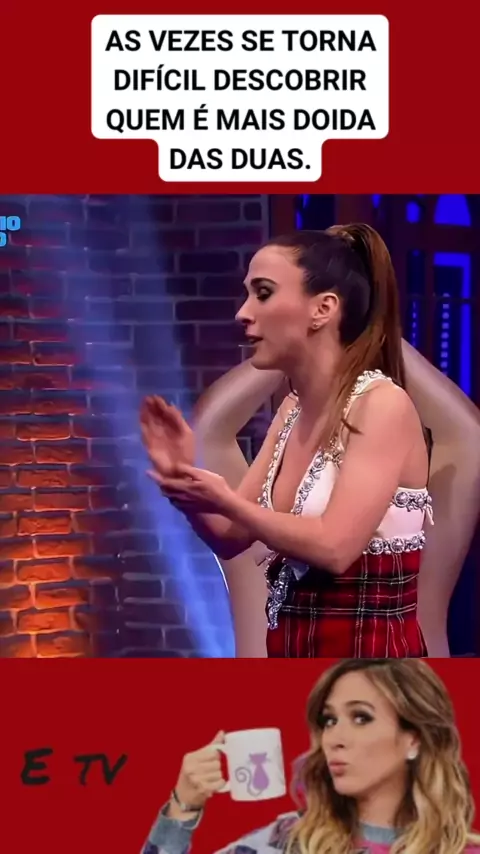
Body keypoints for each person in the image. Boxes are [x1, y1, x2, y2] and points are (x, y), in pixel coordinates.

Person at [140, 225, 475, 657]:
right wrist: (182, 482)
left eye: (263, 293)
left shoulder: (382, 405)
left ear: (323, 309)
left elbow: (334, 547)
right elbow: (231, 536)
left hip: (371, 673)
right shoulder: (291, 412)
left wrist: (225, 500)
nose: (243, 313)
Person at [189, 342, 480, 658]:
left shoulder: (411, 536)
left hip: (393, 679)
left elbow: (468, 436)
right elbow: (207, 431)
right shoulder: (258, 515)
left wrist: (354, 332)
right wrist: (295, 344)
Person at [141, 658, 480, 854]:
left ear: (414, 739)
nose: (335, 739)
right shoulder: (290, 839)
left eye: (361, 717)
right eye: (329, 720)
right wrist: (183, 805)